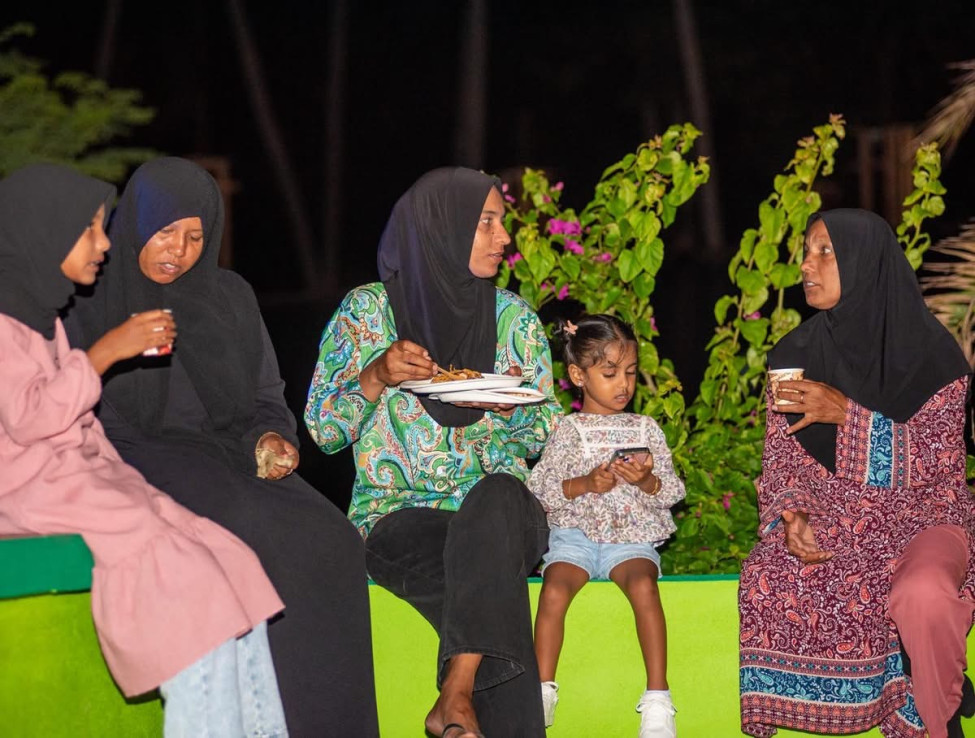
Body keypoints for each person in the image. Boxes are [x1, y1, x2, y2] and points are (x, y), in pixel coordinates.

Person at [64, 157, 379, 737]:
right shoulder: (90, 299)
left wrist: (270, 437)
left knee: (332, 537)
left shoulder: (228, 296)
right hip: (133, 454)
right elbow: (71, 400)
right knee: (251, 524)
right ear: (136, 223)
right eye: (165, 231)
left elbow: (265, 394)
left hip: (229, 454)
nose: (179, 251)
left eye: (195, 236)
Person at [0, 163, 288, 737]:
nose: (105, 243)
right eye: (89, 229)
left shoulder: (42, 318)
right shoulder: (8, 324)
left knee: (229, 557)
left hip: (78, 477)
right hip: (33, 489)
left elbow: (81, 432)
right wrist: (105, 353)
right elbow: (31, 421)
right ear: (45, 232)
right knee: (180, 578)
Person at [305, 166, 562, 738]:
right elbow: (323, 429)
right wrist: (376, 375)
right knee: (492, 592)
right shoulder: (367, 314)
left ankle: (456, 692)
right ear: (442, 227)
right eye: (487, 223)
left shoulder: (514, 320)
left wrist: (509, 407)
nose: (505, 238)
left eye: (502, 223)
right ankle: (459, 701)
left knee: (497, 497)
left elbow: (545, 432)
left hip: (503, 514)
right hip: (398, 517)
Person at [739, 209, 975, 738]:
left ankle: (937, 713)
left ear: (865, 262)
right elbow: (783, 458)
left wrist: (848, 414)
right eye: (806, 252)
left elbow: (939, 462)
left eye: (825, 251)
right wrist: (793, 514)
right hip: (837, 517)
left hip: (926, 517)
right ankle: (921, 680)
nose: (806, 265)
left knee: (922, 593)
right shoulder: (794, 354)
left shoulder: (934, 356)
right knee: (766, 576)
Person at [527, 314, 685, 738]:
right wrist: (584, 484)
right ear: (578, 375)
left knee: (644, 586)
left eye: (630, 372)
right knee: (554, 588)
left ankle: (658, 698)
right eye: (610, 373)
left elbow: (673, 490)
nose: (624, 385)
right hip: (574, 538)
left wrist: (647, 481)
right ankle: (540, 691)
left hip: (630, 540)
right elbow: (539, 489)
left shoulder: (646, 428)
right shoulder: (567, 430)